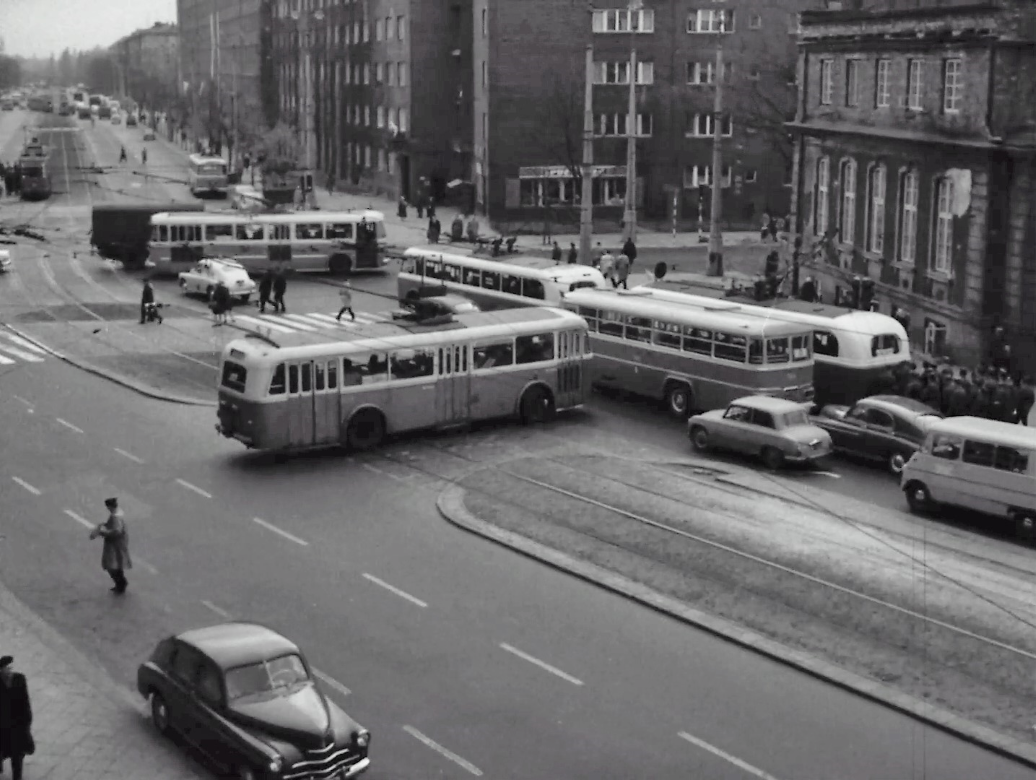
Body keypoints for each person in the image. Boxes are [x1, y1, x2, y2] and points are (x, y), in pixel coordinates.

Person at [0, 656, 33, 780]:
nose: (10, 670)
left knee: (17, 755)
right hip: (3, 727)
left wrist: (27, 721)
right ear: (1, 669)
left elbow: (25, 701)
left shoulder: (20, 679)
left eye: (11, 667)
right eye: (7, 668)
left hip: (17, 726)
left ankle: (17, 777)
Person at [89, 498, 132, 594]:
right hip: (119, 543)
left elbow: (116, 531)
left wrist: (102, 532)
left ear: (110, 507)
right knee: (117, 563)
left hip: (115, 544)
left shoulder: (115, 517)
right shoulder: (117, 515)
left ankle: (121, 583)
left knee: (111, 565)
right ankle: (120, 583)